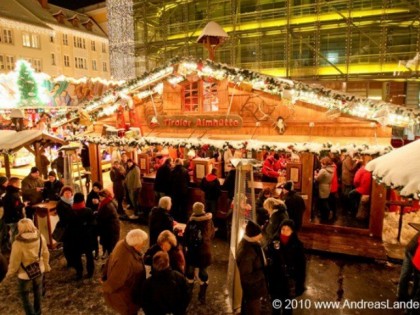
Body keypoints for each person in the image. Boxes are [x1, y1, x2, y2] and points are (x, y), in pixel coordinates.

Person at [6, 218, 50, 315]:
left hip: (24, 274)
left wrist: (10, 273)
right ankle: (38, 312)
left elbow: (14, 262)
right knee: (37, 292)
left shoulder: (17, 243)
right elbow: (46, 253)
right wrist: (46, 266)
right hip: (39, 269)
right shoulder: (40, 237)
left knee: (25, 296)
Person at [102, 229, 147, 315]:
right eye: (143, 243)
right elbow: (116, 281)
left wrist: (104, 275)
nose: (144, 245)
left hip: (130, 292)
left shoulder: (122, 243)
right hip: (126, 298)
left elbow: (110, 257)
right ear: (135, 244)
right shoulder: (125, 260)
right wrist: (105, 287)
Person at [267, 219, 306, 314]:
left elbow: (301, 266)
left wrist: (300, 284)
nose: (284, 231)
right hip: (275, 281)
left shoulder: (297, 245)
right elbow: (269, 260)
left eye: (288, 229)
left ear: (292, 231)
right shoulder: (274, 242)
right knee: (275, 307)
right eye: (283, 229)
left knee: (287, 308)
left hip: (289, 282)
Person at [183, 202, 215, 304]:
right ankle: (202, 296)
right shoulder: (209, 221)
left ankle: (188, 293)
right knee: (203, 271)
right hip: (205, 251)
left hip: (193, 251)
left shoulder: (191, 221)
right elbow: (212, 234)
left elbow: (186, 237)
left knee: (190, 271)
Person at [142, 251, 190, 315]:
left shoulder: (148, 284)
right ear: (168, 263)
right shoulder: (179, 277)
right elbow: (186, 295)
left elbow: (145, 304)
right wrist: (179, 311)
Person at [236, 220, 268, 315]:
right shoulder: (247, 252)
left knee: (248, 307)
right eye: (259, 234)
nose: (261, 236)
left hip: (254, 288)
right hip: (253, 290)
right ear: (253, 235)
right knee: (254, 310)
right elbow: (246, 276)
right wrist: (263, 273)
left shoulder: (251, 243)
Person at [69, 193, 95, 279]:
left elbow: (69, 225)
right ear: (83, 200)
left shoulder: (71, 211)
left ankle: (79, 273)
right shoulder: (88, 210)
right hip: (87, 237)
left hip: (75, 238)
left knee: (77, 256)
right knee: (89, 255)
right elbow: (93, 224)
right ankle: (90, 272)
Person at [97, 189, 120, 258]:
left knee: (109, 244)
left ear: (106, 197)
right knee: (109, 243)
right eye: (99, 197)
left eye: (101, 197)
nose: (100, 199)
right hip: (112, 227)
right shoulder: (109, 201)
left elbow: (101, 218)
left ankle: (110, 258)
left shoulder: (107, 206)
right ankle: (107, 253)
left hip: (110, 229)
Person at [3, 177, 25, 247]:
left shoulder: (9, 192)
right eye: (19, 183)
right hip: (13, 218)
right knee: (15, 235)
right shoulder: (12, 194)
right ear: (14, 183)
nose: (19, 184)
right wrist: (23, 204)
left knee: (14, 234)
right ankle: (15, 249)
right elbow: (15, 207)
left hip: (11, 217)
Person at [398, 232, 420, 303]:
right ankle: (406, 300)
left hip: (411, 252)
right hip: (412, 253)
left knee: (405, 275)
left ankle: (403, 298)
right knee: (415, 285)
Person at [56, 186, 74, 267]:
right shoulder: (60, 203)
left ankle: (74, 258)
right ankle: (69, 261)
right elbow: (63, 216)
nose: (68, 194)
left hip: (73, 226)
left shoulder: (73, 201)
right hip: (65, 227)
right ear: (62, 194)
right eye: (66, 193)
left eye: (69, 193)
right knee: (67, 245)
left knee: (73, 244)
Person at [169, 158, 190, 223]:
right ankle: (183, 219)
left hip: (175, 191)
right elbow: (188, 180)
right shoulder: (185, 171)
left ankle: (175, 219)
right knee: (183, 206)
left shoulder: (172, 171)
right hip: (183, 191)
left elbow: (170, 181)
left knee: (175, 206)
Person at [314, 156, 334, 222]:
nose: (321, 164)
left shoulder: (323, 170)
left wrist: (315, 176)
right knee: (325, 201)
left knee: (323, 202)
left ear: (324, 163)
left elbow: (318, 179)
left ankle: (326, 214)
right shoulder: (331, 170)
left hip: (322, 187)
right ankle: (327, 214)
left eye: (322, 163)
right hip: (327, 186)